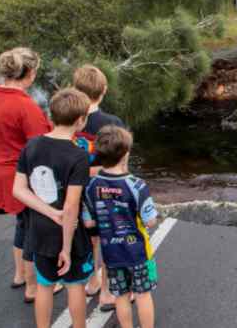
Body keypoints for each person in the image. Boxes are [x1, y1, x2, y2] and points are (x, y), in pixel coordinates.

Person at [13, 88, 93, 328]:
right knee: (75, 285)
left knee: (44, 285)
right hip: (69, 234)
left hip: (38, 231)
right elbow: (70, 208)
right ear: (80, 120)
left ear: (50, 117)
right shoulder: (77, 156)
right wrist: (66, 249)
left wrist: (48, 212)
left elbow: (18, 189)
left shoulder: (32, 145)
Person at [0, 48, 57, 302]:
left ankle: (19, 274)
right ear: (28, 73)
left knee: (21, 224)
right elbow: (41, 147)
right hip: (21, 179)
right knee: (33, 231)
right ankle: (32, 286)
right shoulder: (25, 107)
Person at [83, 126, 159, 328]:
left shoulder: (91, 186)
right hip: (139, 253)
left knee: (121, 296)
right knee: (143, 294)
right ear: (126, 153)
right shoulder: (137, 185)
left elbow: (89, 222)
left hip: (111, 254)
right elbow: (150, 220)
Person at [73, 64, 124, 310]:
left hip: (79, 193)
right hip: (106, 191)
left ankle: (92, 280)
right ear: (103, 90)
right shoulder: (112, 122)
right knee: (108, 238)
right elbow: (122, 160)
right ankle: (106, 290)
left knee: (91, 238)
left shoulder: (69, 120)